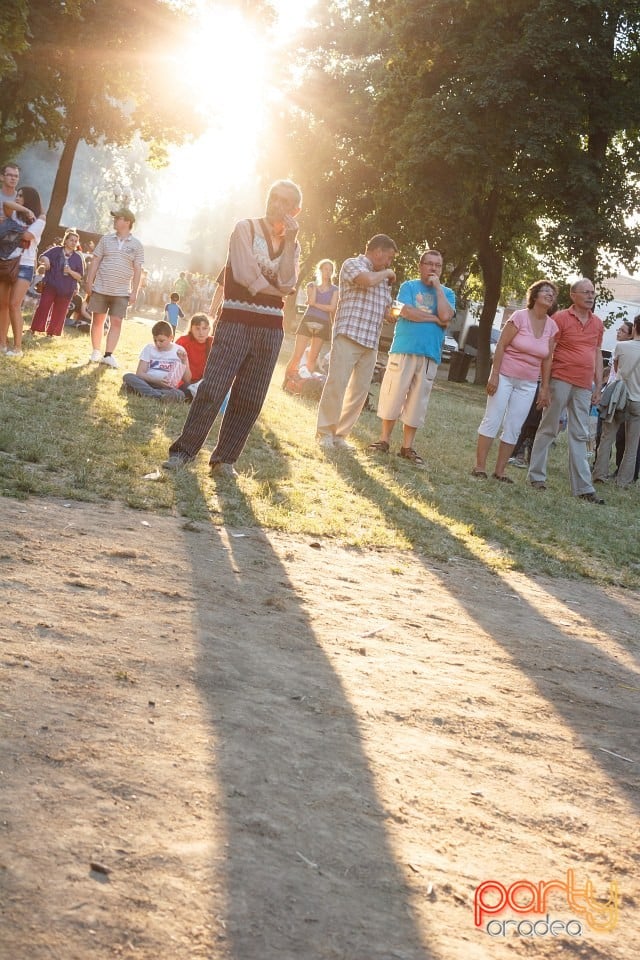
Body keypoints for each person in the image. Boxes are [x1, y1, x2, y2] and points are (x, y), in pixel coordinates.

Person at [162, 179, 302, 477]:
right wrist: (277, 289)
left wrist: (289, 246)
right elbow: (245, 275)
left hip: (271, 329)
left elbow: (289, 282)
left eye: (285, 201)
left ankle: (224, 459)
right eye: (273, 197)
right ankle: (183, 452)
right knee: (213, 387)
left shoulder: (295, 245)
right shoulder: (246, 229)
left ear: (295, 210)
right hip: (236, 320)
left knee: (250, 396)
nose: (277, 204)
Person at [368, 249, 455, 466]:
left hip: (429, 354)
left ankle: (407, 447)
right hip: (404, 349)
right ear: (421, 266)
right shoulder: (409, 286)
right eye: (429, 264)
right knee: (394, 395)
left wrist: (438, 290)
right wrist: (435, 318)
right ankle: (384, 440)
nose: (433, 268)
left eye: (438, 265)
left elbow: (446, 315)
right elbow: (406, 312)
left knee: (417, 401)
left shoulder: (447, 293)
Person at [316, 234, 398, 450]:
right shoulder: (353, 264)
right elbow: (366, 280)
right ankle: (325, 432)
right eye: (388, 257)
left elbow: (386, 308)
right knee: (337, 384)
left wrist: (390, 313)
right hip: (348, 334)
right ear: (378, 251)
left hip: (371, 341)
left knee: (359, 392)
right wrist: (387, 272)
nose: (390, 264)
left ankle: (340, 436)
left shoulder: (383, 280)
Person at [527, 278, 605, 503]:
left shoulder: (597, 323)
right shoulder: (559, 318)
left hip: (583, 384)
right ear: (573, 295)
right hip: (560, 379)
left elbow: (597, 354)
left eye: (592, 292)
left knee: (580, 434)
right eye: (585, 292)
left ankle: (583, 488)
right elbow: (548, 353)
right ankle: (536, 476)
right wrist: (545, 385)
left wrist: (598, 385)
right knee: (549, 427)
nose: (590, 296)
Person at [472, 281, 559, 481]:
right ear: (535, 295)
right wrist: (494, 375)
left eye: (552, 293)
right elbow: (501, 345)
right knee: (492, 419)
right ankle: (479, 467)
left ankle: (500, 471)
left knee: (514, 425)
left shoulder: (552, 327)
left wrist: (544, 388)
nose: (550, 294)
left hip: (528, 383)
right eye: (546, 291)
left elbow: (547, 358)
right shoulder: (519, 317)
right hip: (504, 377)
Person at [85, 207, 144, 368]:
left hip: (122, 291)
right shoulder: (106, 239)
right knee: (97, 320)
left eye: (117, 218)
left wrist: (135, 292)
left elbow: (138, 270)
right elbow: (95, 261)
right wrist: (89, 282)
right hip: (101, 287)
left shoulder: (137, 245)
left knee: (116, 322)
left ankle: (108, 355)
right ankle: (96, 351)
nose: (114, 220)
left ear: (127, 221)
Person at [592, 314, 640, 488]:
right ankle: (624, 480)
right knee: (632, 444)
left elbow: (617, 369)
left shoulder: (621, 346)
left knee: (607, 436)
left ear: (634, 326)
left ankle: (599, 474)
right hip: (638, 400)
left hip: (618, 397)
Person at [0, 186, 46, 357]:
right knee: (2, 305)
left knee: (13, 305)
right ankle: (2, 344)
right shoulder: (14, 214)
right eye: (17, 195)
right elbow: (6, 203)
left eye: (21, 196)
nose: (17, 198)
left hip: (25, 265)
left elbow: (27, 237)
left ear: (30, 198)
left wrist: (7, 227)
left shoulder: (40, 219)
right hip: (6, 262)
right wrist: (25, 210)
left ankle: (18, 347)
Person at [284, 259, 338, 380]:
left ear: (333, 273)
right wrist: (314, 295)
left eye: (330, 270)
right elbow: (311, 300)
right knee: (297, 356)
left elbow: (332, 307)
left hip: (323, 324)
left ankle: (304, 385)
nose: (328, 272)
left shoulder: (335, 290)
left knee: (312, 359)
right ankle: (286, 381)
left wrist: (315, 304)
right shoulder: (311, 285)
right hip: (308, 320)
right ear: (320, 270)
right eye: (325, 269)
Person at [28, 229, 84, 337]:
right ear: (66, 240)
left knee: (60, 312)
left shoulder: (78, 258)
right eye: (71, 240)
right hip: (50, 285)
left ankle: (51, 333)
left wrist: (70, 271)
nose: (73, 243)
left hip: (67, 289)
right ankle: (34, 329)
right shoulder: (56, 250)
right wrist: (46, 260)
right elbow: (41, 257)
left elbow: (80, 276)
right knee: (43, 306)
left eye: (75, 241)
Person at [122, 319, 190, 402]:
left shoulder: (179, 350)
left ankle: (144, 392)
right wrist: (157, 381)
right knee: (128, 376)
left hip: (166, 388)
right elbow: (140, 373)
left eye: (161, 341)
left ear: (171, 338)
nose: (157, 344)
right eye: (155, 340)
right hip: (147, 383)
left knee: (180, 394)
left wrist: (184, 361)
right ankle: (158, 396)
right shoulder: (149, 348)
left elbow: (187, 380)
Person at [175, 313, 213, 397]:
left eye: (204, 328)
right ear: (191, 329)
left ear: (209, 329)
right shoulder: (183, 341)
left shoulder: (212, 343)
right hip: (184, 382)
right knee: (188, 391)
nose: (201, 332)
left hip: (202, 383)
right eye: (197, 328)